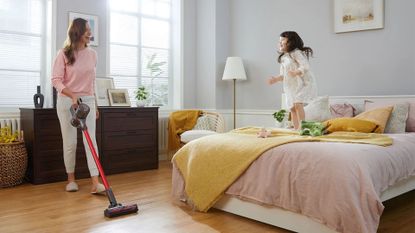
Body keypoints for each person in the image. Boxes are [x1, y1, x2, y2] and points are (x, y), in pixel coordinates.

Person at [51, 18, 104, 194]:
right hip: (67, 102)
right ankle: (71, 180)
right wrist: (72, 95)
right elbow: (56, 80)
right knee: (70, 142)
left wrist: (94, 103)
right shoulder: (64, 53)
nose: (90, 33)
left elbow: (92, 81)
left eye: (90, 30)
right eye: (87, 30)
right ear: (78, 33)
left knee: (91, 143)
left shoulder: (93, 54)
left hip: (87, 101)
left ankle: (95, 183)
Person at [268, 31, 317, 130]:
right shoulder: (283, 58)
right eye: (279, 41)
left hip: (302, 83)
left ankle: (302, 127)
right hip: (291, 86)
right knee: (292, 108)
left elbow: (305, 66)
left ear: (291, 42)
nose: (280, 42)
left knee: (298, 104)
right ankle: (296, 128)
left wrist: (297, 72)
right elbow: (283, 75)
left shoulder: (296, 53)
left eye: (282, 40)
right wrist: (276, 79)